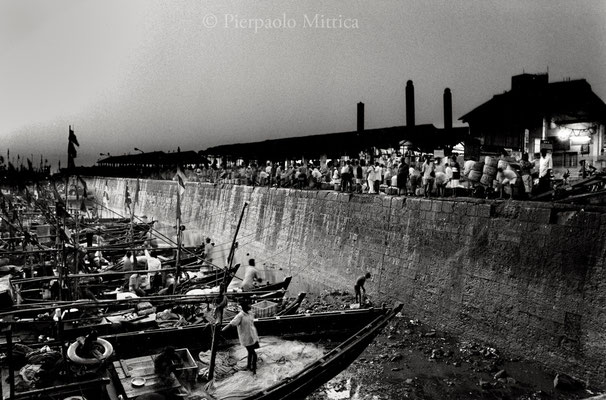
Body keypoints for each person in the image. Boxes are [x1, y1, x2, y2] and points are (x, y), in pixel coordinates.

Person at [222, 301, 260, 375]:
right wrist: (222, 330)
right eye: (248, 304)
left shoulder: (250, 313)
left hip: (253, 336)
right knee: (254, 354)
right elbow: (231, 324)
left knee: (250, 352)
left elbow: (251, 324)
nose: (250, 306)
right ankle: (254, 370)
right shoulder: (240, 316)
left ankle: (249, 366)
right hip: (246, 338)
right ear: (244, 307)